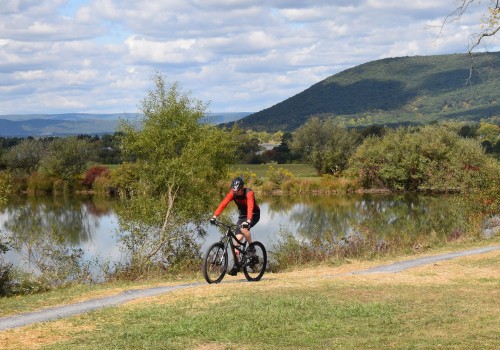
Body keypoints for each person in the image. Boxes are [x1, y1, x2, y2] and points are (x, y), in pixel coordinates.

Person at [210, 176, 260, 276]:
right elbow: (223, 203)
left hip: (253, 215)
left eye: (237, 190)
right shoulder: (233, 193)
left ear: (242, 188)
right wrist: (214, 216)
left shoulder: (249, 193)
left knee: (244, 228)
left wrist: (249, 220)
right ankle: (237, 265)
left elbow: (250, 206)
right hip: (242, 217)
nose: (235, 192)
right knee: (236, 244)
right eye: (234, 190)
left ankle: (251, 248)